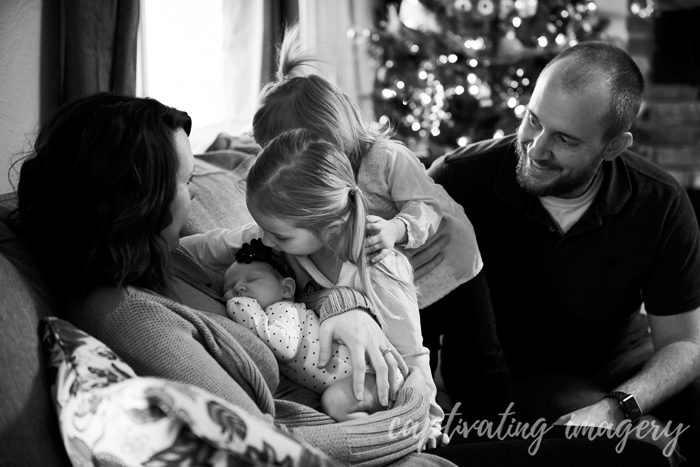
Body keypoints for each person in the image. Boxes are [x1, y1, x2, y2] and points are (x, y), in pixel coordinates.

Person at [13, 91, 672, 467]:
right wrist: (408, 425)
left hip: (382, 410)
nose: (194, 197)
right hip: (381, 444)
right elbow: (263, 444)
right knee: (626, 461)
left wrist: (344, 308)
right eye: (186, 182)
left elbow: (264, 255)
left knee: (626, 454)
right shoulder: (129, 315)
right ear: (139, 198)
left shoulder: (162, 261)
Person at [428, 40, 700, 464]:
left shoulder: (660, 202)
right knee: (642, 447)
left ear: (613, 147)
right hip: (509, 375)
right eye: (533, 120)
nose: (536, 148)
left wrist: (618, 406)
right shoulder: (459, 181)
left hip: (617, 361)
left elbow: (685, 342)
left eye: (565, 140)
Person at [250, 24, 513, 418]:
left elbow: (428, 206)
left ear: (327, 139)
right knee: (419, 351)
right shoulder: (314, 195)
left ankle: (502, 425)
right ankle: (436, 421)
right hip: (402, 282)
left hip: (450, 264)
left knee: (477, 359)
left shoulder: (387, 159)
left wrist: (396, 228)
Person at [185, 128, 446, 447]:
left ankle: (387, 437)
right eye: (263, 229)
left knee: (337, 401)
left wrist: (429, 420)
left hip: (375, 383)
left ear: (331, 226)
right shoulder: (274, 236)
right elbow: (206, 247)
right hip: (320, 376)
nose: (265, 241)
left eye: (279, 236)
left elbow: (412, 358)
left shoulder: (380, 267)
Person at [223, 237, 398, 422]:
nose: (238, 288)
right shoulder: (269, 316)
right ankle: (383, 423)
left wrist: (240, 307)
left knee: (335, 402)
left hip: (372, 375)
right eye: (228, 287)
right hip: (359, 379)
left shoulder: (283, 309)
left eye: (252, 279)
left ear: (287, 289)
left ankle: (384, 430)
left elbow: (284, 348)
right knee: (336, 402)